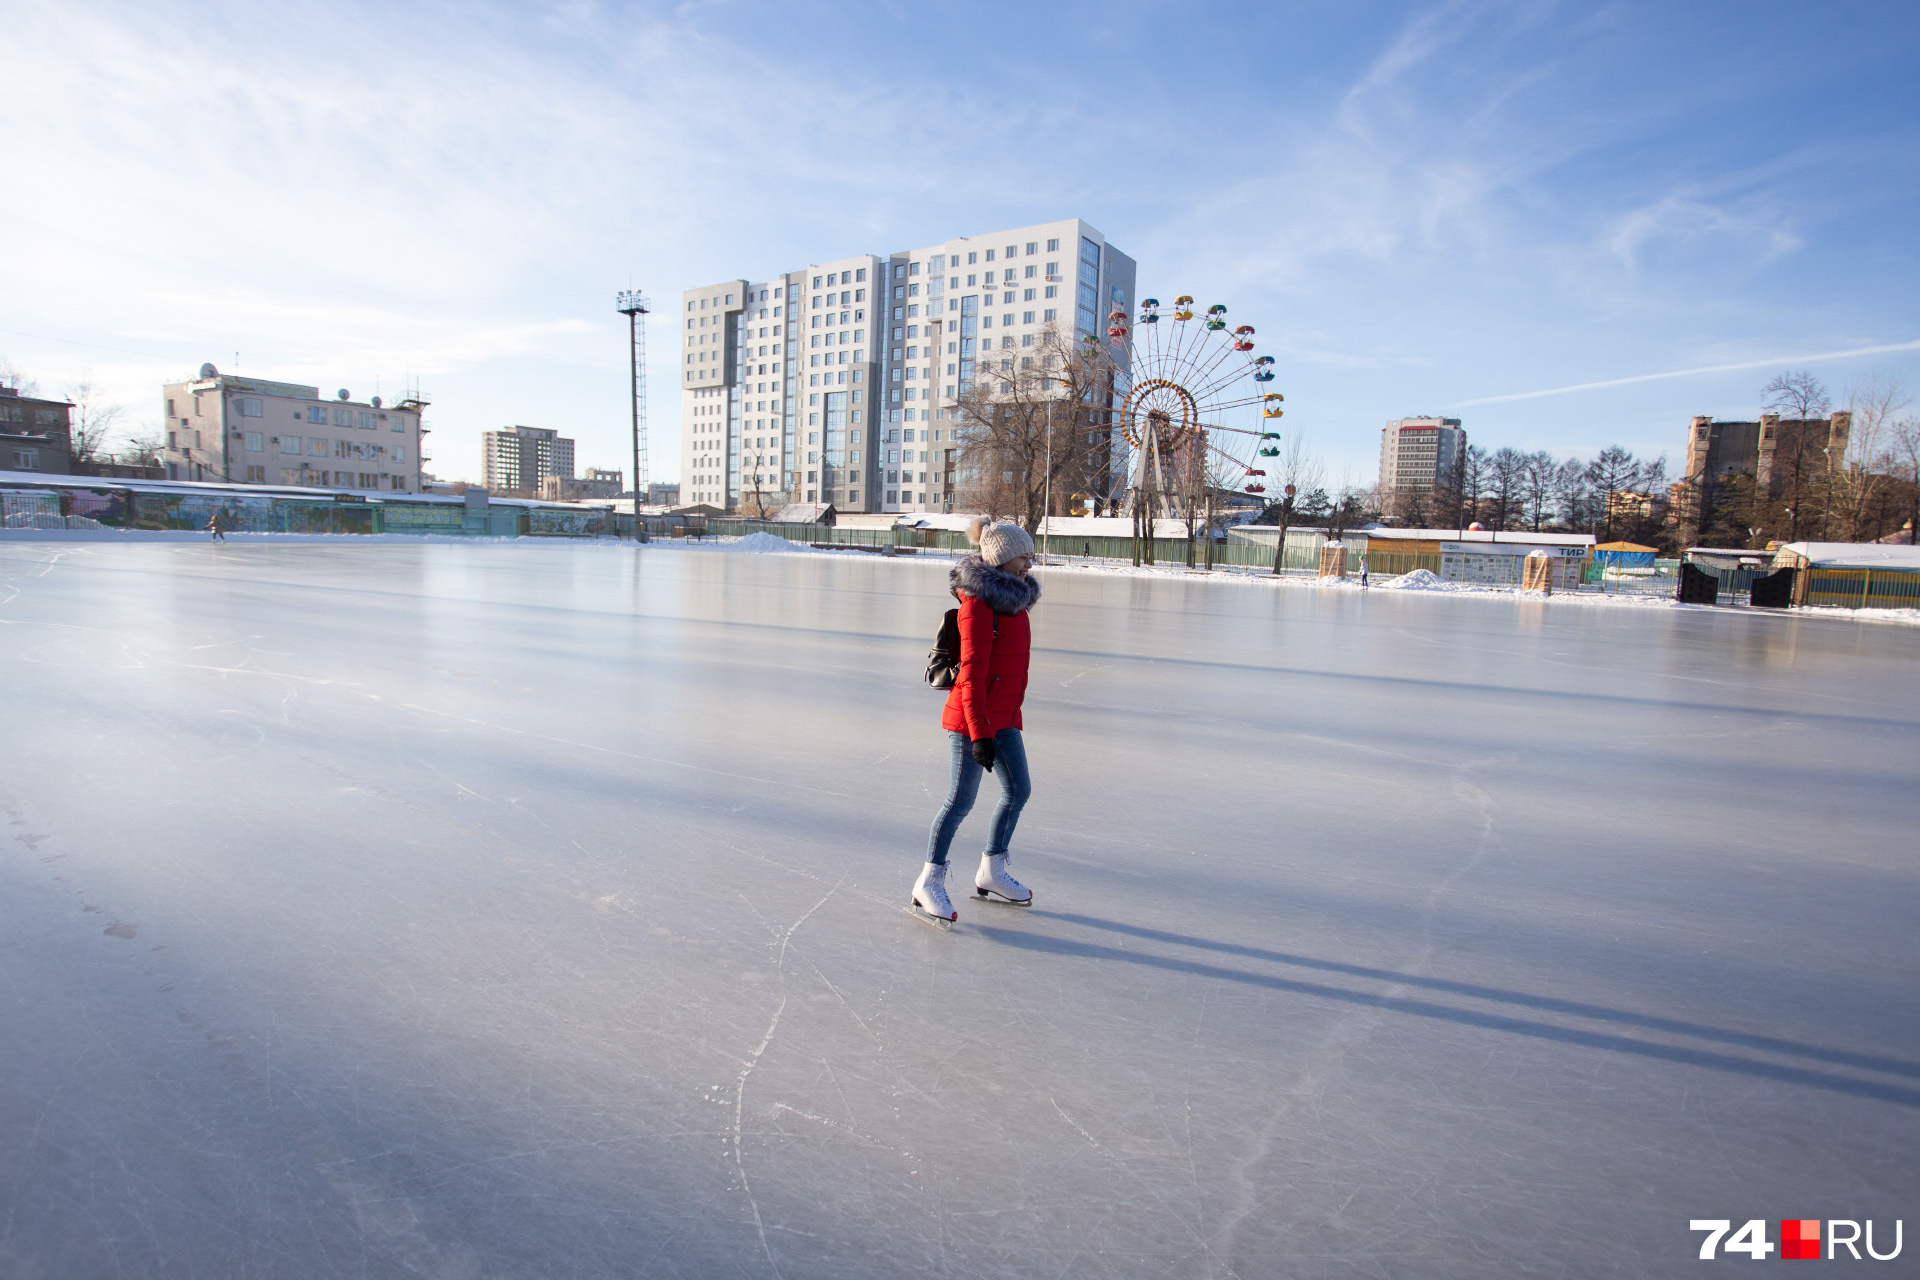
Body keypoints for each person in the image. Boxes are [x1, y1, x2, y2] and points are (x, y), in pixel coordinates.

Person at [910, 515, 1040, 923]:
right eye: (1024, 557)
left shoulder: (1016, 607)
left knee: (1019, 792)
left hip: (1002, 719)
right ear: (1002, 559)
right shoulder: (978, 608)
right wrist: (981, 735)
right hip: (972, 721)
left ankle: (992, 871)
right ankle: (928, 881)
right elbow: (971, 677)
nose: (1030, 565)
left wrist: (1009, 720)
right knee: (960, 801)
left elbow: (1011, 674)